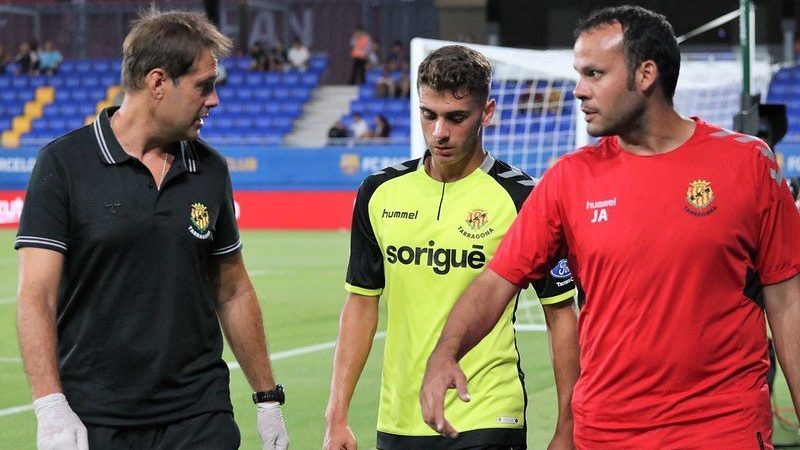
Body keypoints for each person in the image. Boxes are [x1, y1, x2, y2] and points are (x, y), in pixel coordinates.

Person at [421, 5, 800, 450]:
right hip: (607, 434)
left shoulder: (748, 164)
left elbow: (788, 300)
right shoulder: (567, 179)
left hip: (721, 430)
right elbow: (495, 281)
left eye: (594, 74)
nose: (579, 91)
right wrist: (445, 353)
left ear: (646, 75)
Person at [16, 8, 289, 450]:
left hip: (199, 413)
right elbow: (36, 295)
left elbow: (232, 289)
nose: (214, 100)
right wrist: (49, 404)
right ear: (158, 83)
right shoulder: (64, 165)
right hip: (99, 417)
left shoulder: (211, 169)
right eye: (204, 85)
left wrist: (266, 399)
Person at [324, 44, 578, 450]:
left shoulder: (523, 198)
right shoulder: (378, 193)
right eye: (429, 115)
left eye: (456, 118)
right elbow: (360, 304)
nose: (440, 132)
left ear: (487, 113)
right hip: (399, 418)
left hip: (489, 412)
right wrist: (336, 416)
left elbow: (561, 313)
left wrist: (567, 427)